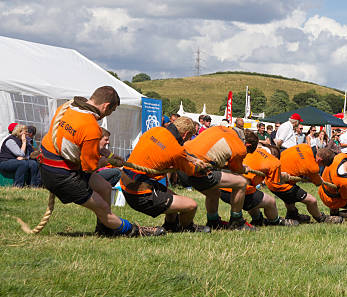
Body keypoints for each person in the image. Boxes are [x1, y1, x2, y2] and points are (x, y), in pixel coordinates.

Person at [40, 86, 163, 236]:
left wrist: (106, 154)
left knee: (105, 187)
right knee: (103, 208)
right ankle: (133, 231)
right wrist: (107, 162)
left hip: (50, 164)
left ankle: (104, 229)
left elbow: (72, 141)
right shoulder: (91, 127)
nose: (107, 115)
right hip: (61, 175)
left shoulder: (68, 107)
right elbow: (89, 168)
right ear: (106, 106)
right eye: (110, 111)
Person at [120, 117, 210, 233]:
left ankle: (170, 226)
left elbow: (165, 149)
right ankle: (186, 228)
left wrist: (189, 158)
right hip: (140, 195)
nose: (187, 140)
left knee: (175, 197)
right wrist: (204, 165)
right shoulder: (176, 151)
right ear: (185, 134)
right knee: (191, 205)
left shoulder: (155, 130)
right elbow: (192, 171)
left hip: (126, 185)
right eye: (188, 138)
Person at [183, 126, 254, 230]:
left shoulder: (220, 128)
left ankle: (213, 221)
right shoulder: (240, 146)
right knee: (241, 182)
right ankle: (237, 221)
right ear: (248, 145)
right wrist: (244, 169)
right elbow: (236, 169)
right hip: (198, 168)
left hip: (183, 162)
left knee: (214, 193)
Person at [219, 131, 297, 227]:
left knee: (255, 195)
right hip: (238, 191)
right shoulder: (274, 162)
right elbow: (275, 184)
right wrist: (283, 176)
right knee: (270, 201)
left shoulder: (254, 150)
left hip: (222, 189)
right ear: (276, 156)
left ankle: (257, 220)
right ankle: (275, 221)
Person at [267, 144, 343, 224]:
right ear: (320, 160)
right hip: (278, 183)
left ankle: (292, 214)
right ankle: (321, 218)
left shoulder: (305, 146)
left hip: (271, 177)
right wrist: (317, 178)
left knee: (289, 195)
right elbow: (318, 183)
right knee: (311, 200)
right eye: (323, 165)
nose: (321, 167)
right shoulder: (313, 167)